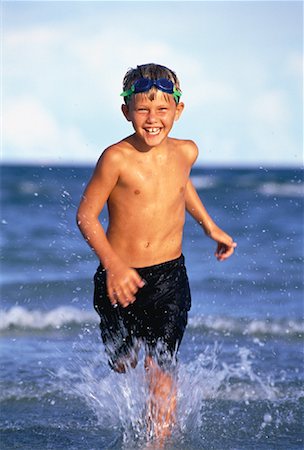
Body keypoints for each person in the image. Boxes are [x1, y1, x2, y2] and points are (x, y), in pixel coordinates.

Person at [77, 63, 236, 442]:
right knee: (124, 362)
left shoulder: (186, 152)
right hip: (120, 279)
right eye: (143, 109)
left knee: (161, 368)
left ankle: (155, 443)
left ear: (177, 111)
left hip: (169, 278)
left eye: (162, 109)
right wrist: (113, 265)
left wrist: (210, 227)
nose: (153, 119)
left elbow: (181, 186)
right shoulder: (115, 158)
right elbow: (86, 216)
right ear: (126, 111)